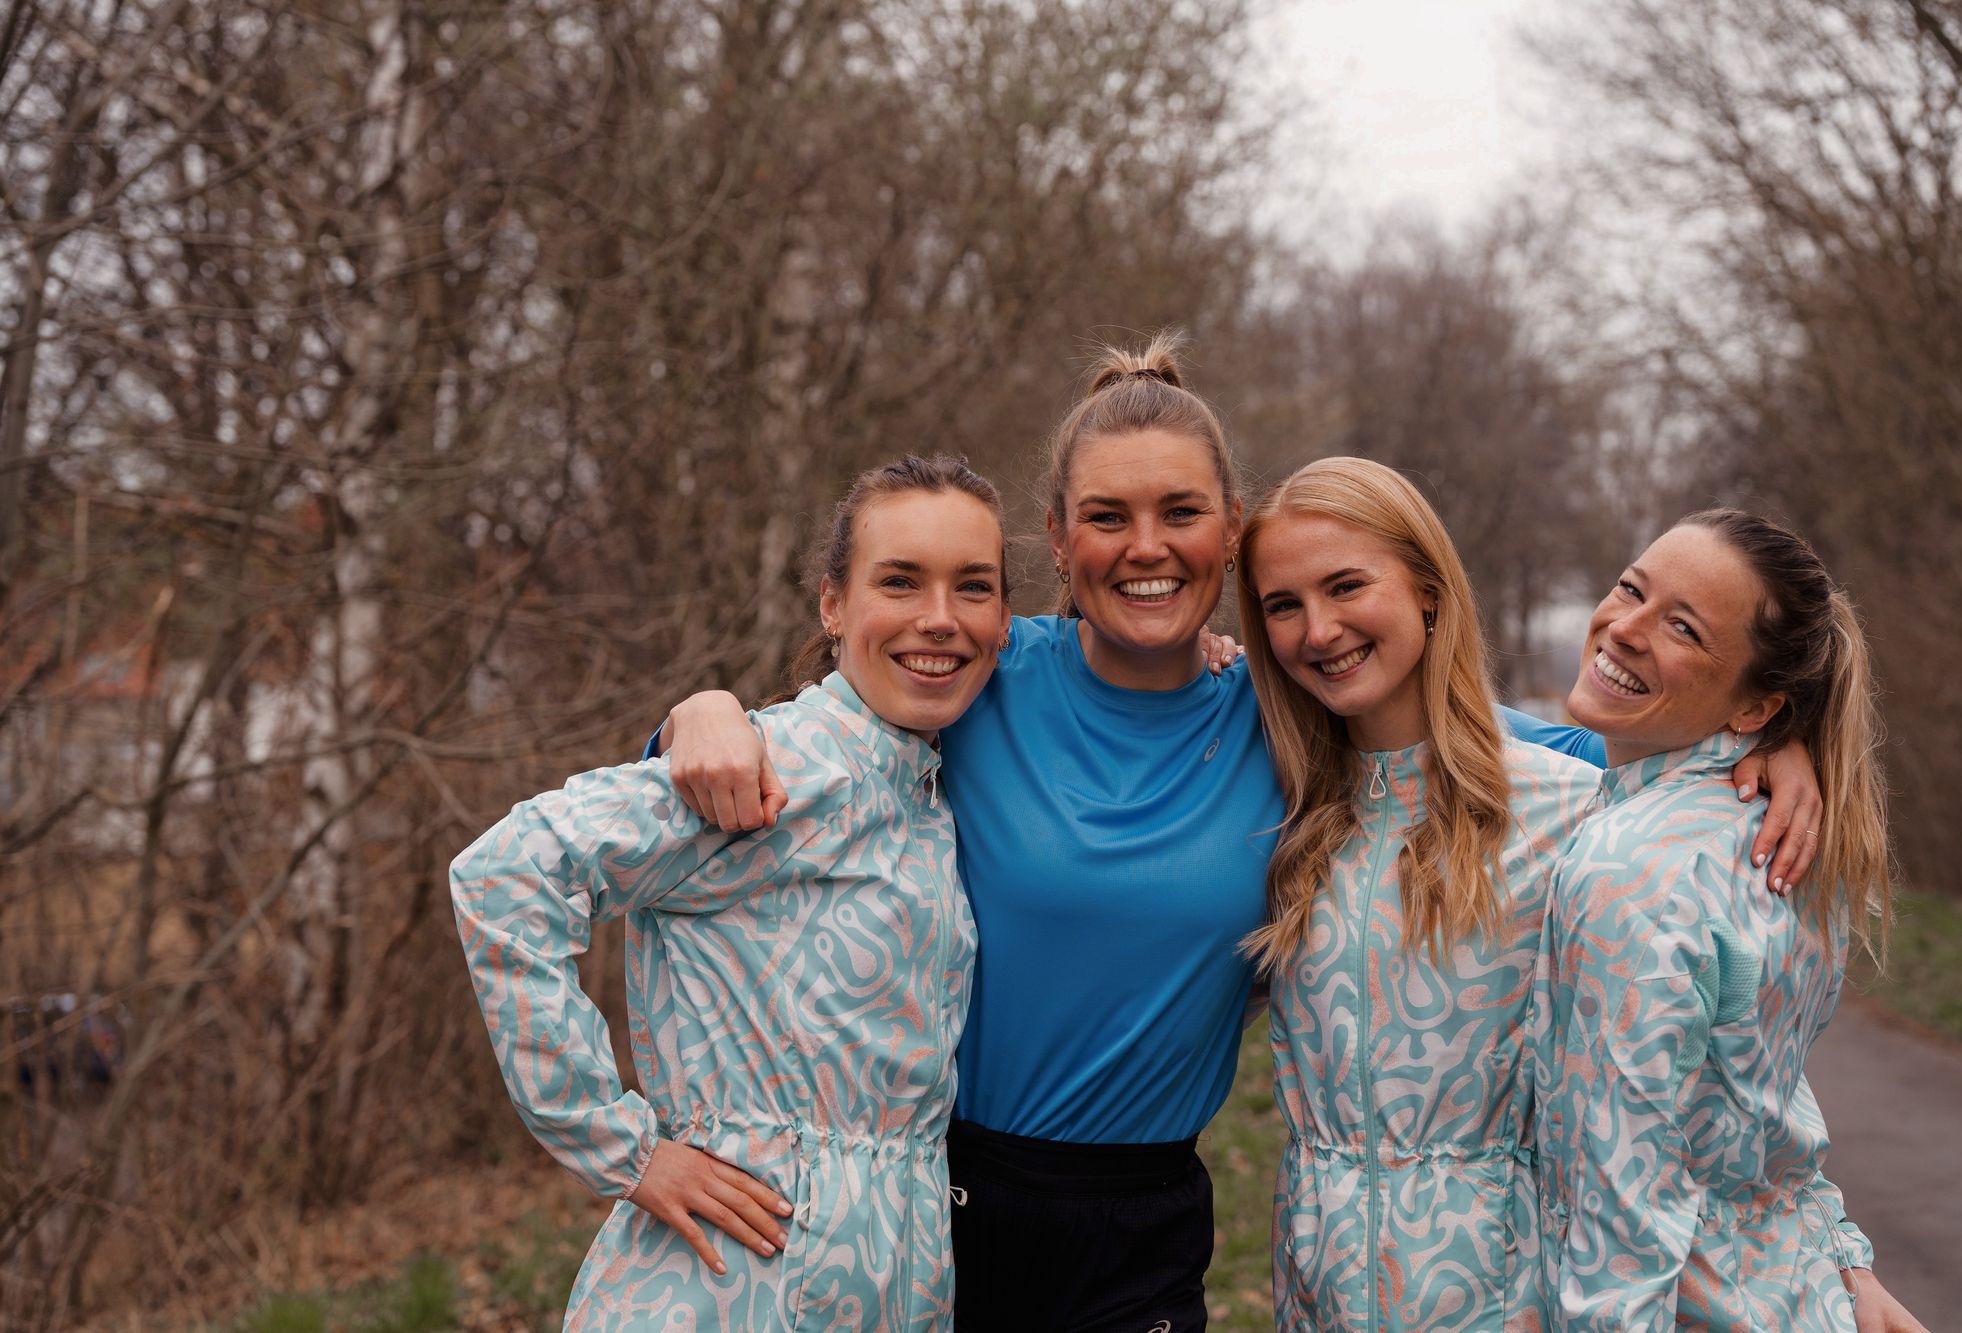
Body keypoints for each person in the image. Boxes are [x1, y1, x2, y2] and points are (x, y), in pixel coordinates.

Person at [651, 337, 1828, 1330]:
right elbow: (795, 755)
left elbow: (1547, 747)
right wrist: (698, 715)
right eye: (1106, 517)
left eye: (1180, 512)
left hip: (1143, 1223)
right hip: (941, 1189)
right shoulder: (983, 681)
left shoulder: (1291, 720)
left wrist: (1778, 739)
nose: (1144, 545)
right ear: (1056, 539)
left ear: (1226, 530)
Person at [449, 455, 1010, 1331]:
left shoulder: (930, 788)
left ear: (1005, 617)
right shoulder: (772, 766)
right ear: (833, 604)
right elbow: (506, 874)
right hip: (723, 1291)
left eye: (972, 585)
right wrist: (624, 1148)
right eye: (900, 580)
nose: (939, 616)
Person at [1535, 511, 1925, 1332]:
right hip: (1801, 1296)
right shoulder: (1792, 841)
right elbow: (1764, 1114)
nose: (1625, 627)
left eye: (1683, 627)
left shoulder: (1630, 865)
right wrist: (1841, 1254)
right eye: (1631, 589)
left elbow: (1624, 1194)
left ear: (1755, 707)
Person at [1236, 457, 1601, 1330]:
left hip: (1508, 1299)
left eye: (1346, 585)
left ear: (1429, 592)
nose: (1318, 630)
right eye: (1283, 605)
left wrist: (1779, 745)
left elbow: (1696, 1077)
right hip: (1316, 1296)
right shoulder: (1275, 812)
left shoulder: (1573, 811)